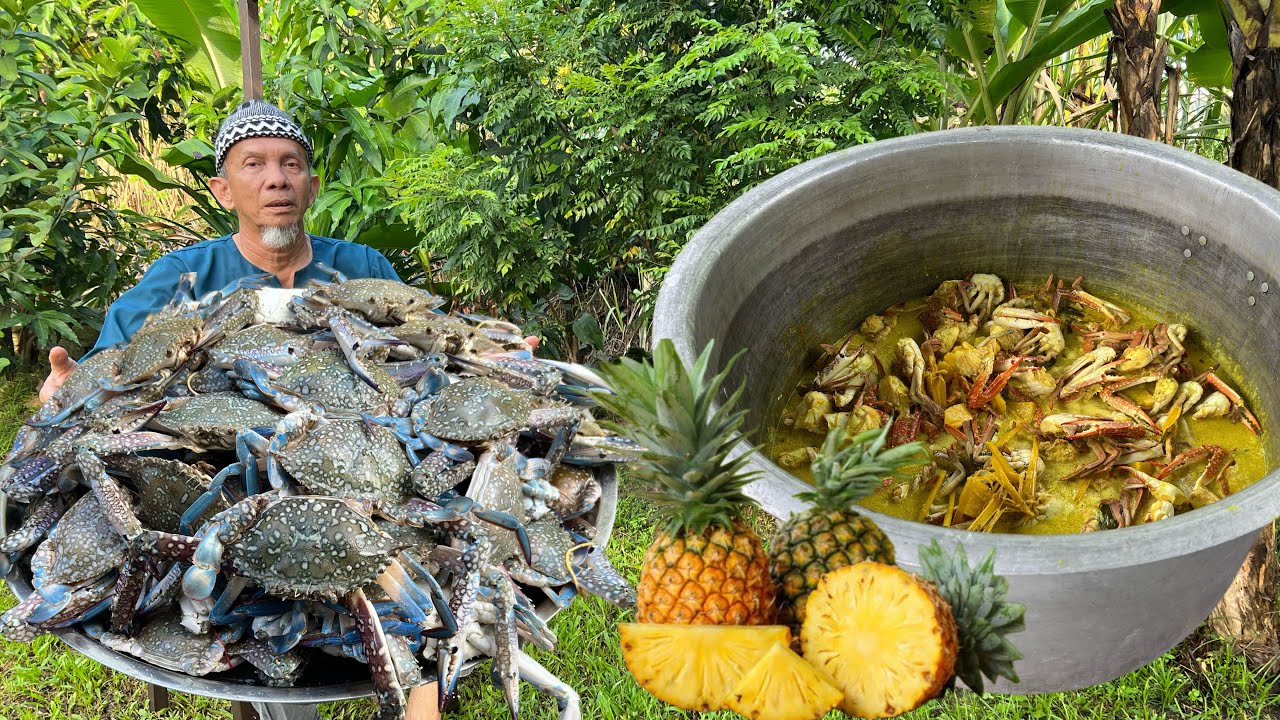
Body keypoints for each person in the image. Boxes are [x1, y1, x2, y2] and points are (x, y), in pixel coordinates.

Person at [35, 100, 450, 720]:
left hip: (368, 464)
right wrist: (70, 384)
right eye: (253, 165)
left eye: (290, 164)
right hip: (226, 490)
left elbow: (436, 351)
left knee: (428, 554)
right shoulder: (183, 278)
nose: (275, 178)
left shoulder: (363, 270)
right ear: (223, 189)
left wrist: (495, 356)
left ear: (312, 183)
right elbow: (113, 365)